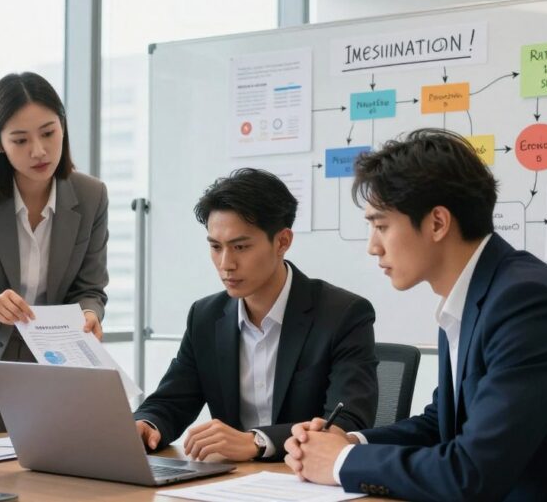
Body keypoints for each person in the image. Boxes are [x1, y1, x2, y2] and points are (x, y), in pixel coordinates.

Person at [284, 128, 547, 501]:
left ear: (437, 223)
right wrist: (348, 441)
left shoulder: (526, 303)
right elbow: (442, 425)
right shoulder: (479, 293)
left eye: (381, 226)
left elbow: (472, 474)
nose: (372, 247)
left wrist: (342, 462)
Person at [133, 168, 378, 462]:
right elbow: (172, 401)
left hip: (307, 481)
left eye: (240, 247)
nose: (226, 264)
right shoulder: (205, 316)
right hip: (230, 483)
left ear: (282, 242)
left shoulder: (343, 315)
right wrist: (147, 424)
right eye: (215, 247)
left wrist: (258, 442)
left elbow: (346, 423)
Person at [0, 72, 108, 432]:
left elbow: (90, 289)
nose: (39, 151)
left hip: (55, 364)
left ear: (63, 127)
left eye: (48, 132)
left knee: (51, 480)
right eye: (20, 140)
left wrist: (90, 315)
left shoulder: (92, 196)